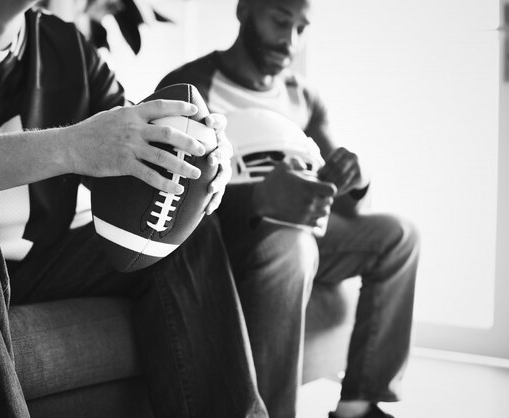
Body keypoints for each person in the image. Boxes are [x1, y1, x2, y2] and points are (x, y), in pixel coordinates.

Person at [0, 0, 269, 417]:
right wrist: (71, 146)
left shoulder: (66, 43)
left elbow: (130, 148)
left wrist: (198, 157)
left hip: (38, 262)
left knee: (178, 228)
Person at [158, 0, 420, 417]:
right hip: (232, 235)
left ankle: (357, 406)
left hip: (309, 229)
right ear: (244, 10)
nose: (291, 40)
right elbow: (169, 202)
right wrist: (259, 201)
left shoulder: (303, 96)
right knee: (289, 243)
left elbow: (350, 203)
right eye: (281, 20)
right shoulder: (190, 86)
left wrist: (358, 176)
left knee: (400, 235)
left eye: (302, 27)